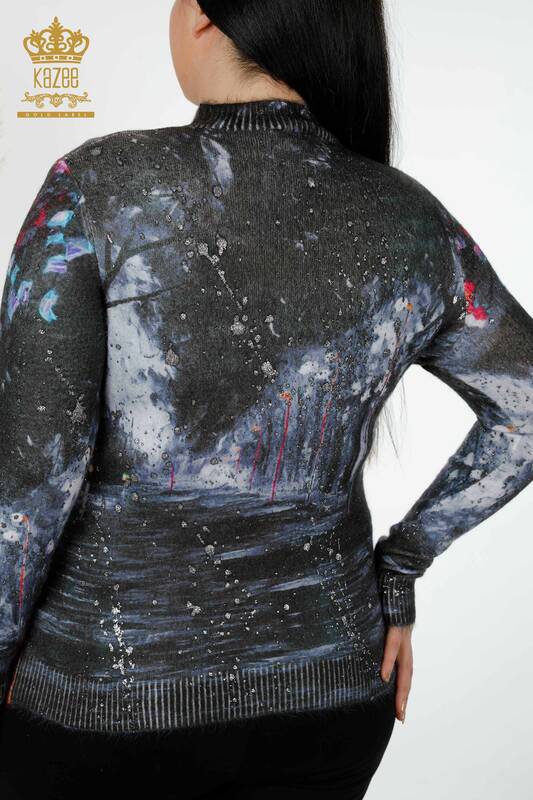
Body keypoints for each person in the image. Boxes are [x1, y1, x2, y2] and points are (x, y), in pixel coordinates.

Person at [0, 1, 532, 798]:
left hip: (100, 712)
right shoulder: (409, 218)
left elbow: (28, 480)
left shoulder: (97, 188)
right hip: (330, 703)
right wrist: (399, 567)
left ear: (203, 18)